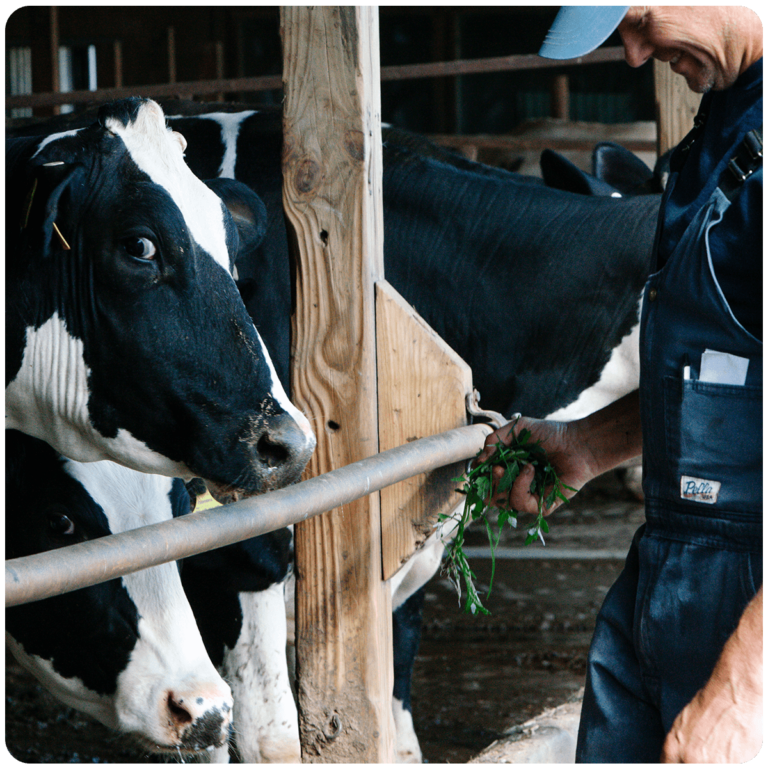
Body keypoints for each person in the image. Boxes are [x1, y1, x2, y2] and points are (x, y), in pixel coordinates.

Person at [477, 6, 764, 763]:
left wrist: (746, 685)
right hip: (673, 556)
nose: (633, 54)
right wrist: (583, 445)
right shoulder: (724, 126)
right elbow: (716, 367)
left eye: (638, 20)